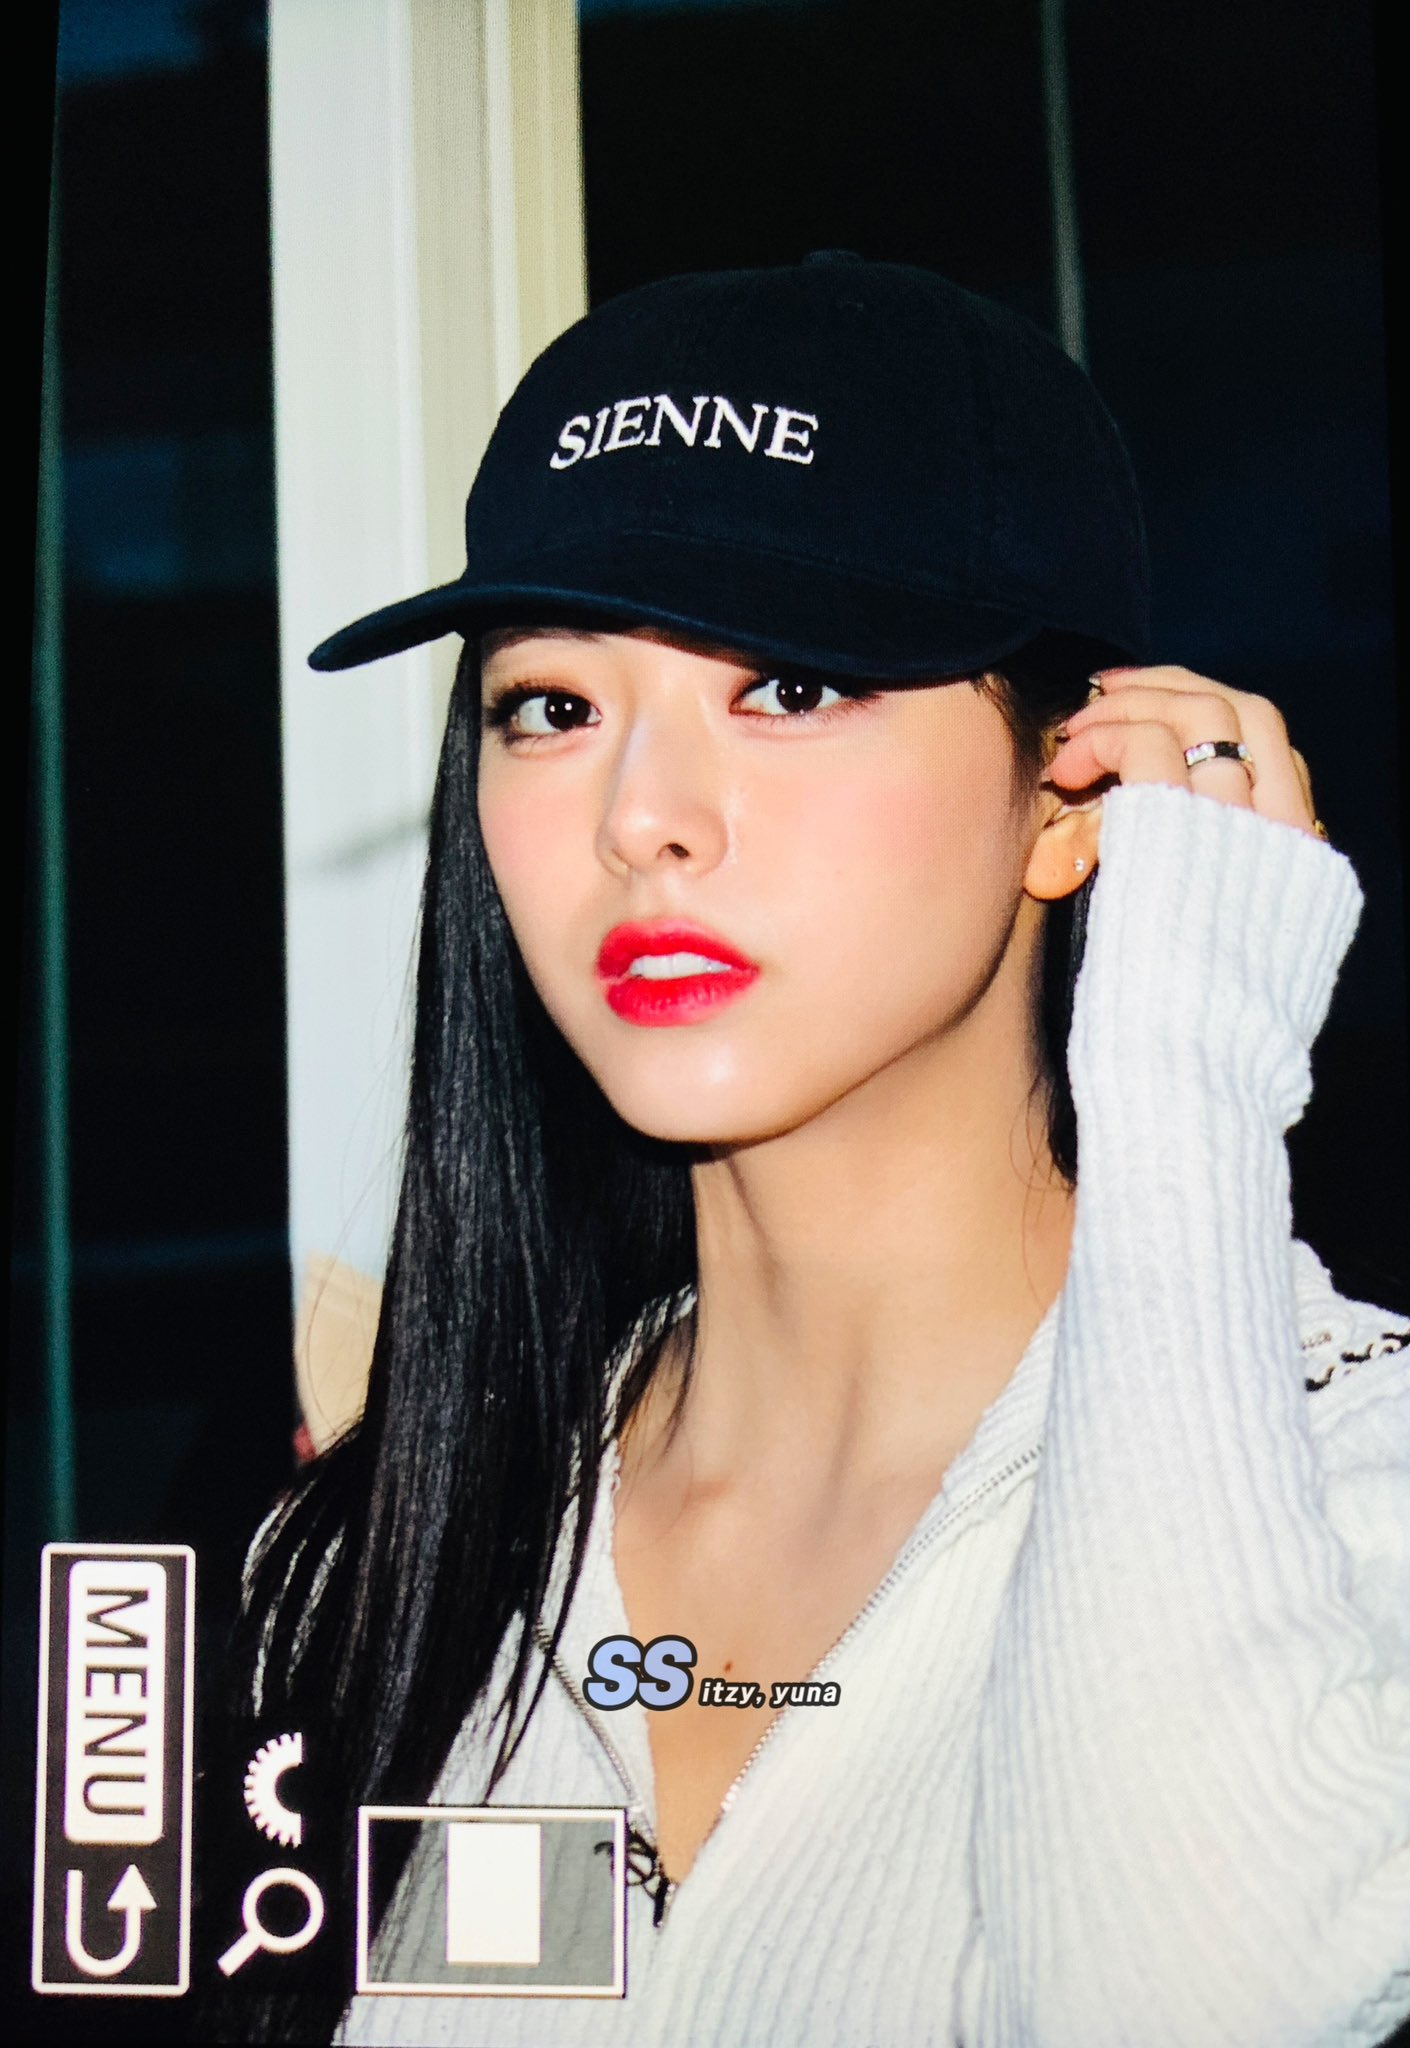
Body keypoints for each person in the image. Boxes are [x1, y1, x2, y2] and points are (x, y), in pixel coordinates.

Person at [223, 255, 1410, 2046]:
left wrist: (1189, 1078)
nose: (640, 820)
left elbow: (1179, 1999)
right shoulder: (373, 1557)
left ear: (1072, 794)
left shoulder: (1354, 1490)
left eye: (788, 686)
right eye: (552, 706)